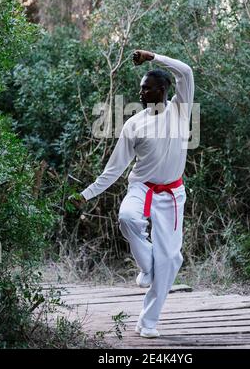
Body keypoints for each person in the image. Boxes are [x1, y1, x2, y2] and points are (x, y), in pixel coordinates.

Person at [70, 49, 194, 338]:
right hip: (141, 187)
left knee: (170, 262)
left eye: (146, 88)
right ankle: (147, 266)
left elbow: (185, 71)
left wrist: (153, 57)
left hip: (173, 196)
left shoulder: (181, 108)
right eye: (140, 88)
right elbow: (114, 169)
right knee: (127, 217)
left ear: (162, 90)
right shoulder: (133, 124)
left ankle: (148, 322)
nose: (141, 93)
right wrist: (86, 195)